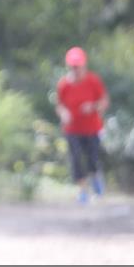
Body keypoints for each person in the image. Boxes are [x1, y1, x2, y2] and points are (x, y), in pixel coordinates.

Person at [55, 46, 109, 203]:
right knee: (76, 159)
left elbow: (104, 102)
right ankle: (82, 191)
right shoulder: (64, 84)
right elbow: (59, 105)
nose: (75, 69)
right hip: (72, 129)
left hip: (92, 128)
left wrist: (92, 106)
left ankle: (96, 179)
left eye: (78, 66)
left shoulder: (93, 81)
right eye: (72, 66)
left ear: (84, 65)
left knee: (92, 159)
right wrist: (64, 113)